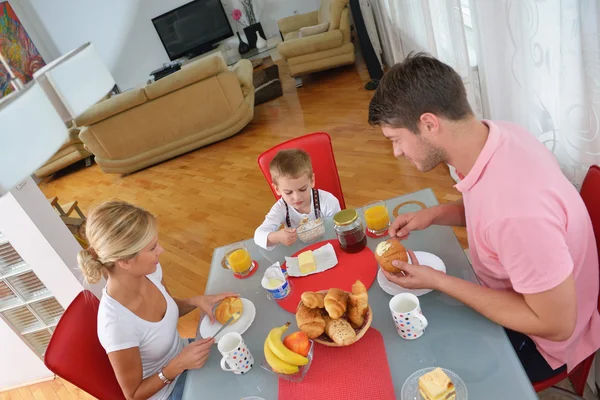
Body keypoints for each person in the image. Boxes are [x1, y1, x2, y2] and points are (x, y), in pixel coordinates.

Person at [368, 53, 600, 383]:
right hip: (527, 292)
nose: (397, 152)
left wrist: (437, 280)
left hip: (544, 342)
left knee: (419, 361)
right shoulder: (497, 135)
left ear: (429, 124)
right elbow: (487, 214)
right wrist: (435, 215)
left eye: (396, 139)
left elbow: (558, 325)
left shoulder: (517, 212)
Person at [78, 201, 237, 400]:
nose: (160, 251)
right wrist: (178, 365)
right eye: (152, 248)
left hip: (185, 357)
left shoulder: (150, 272)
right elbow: (134, 395)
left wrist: (196, 301)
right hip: (168, 391)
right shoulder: (116, 325)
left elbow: (168, 310)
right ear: (125, 261)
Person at [254, 149, 342, 250]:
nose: (297, 197)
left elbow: (338, 228)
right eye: (288, 192)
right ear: (277, 189)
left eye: (302, 189)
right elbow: (258, 235)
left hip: (329, 246)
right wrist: (277, 237)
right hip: (300, 251)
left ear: (312, 181)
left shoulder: (327, 201)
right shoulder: (281, 208)